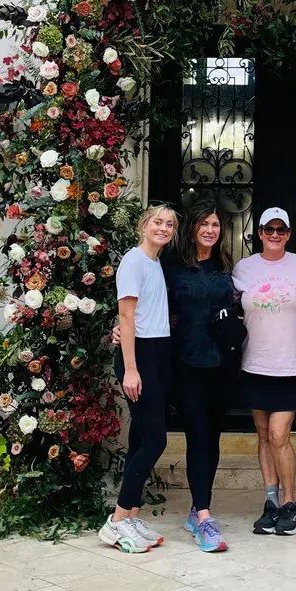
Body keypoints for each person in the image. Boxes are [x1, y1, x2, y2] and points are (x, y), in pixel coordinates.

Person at [98, 204, 177, 554]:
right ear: (144, 225)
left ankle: (129, 515)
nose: (164, 228)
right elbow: (126, 317)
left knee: (140, 440)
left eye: (170, 224)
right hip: (140, 357)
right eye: (158, 222)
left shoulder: (154, 262)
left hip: (157, 353)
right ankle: (115, 523)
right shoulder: (133, 260)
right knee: (155, 441)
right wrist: (131, 368)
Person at [232, 206, 296, 536]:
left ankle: (290, 503)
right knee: (264, 435)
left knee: (281, 435)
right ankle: (271, 501)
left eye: (282, 230)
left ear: (290, 234)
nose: (275, 235)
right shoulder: (242, 268)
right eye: (269, 229)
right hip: (255, 362)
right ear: (260, 233)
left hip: (290, 364)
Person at [165, 200, 238, 552]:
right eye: (204, 223)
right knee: (197, 436)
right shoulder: (172, 266)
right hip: (186, 363)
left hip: (222, 364)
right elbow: (150, 304)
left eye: (216, 224)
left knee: (213, 437)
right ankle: (205, 515)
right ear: (192, 227)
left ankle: (198, 508)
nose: (210, 230)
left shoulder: (226, 266)